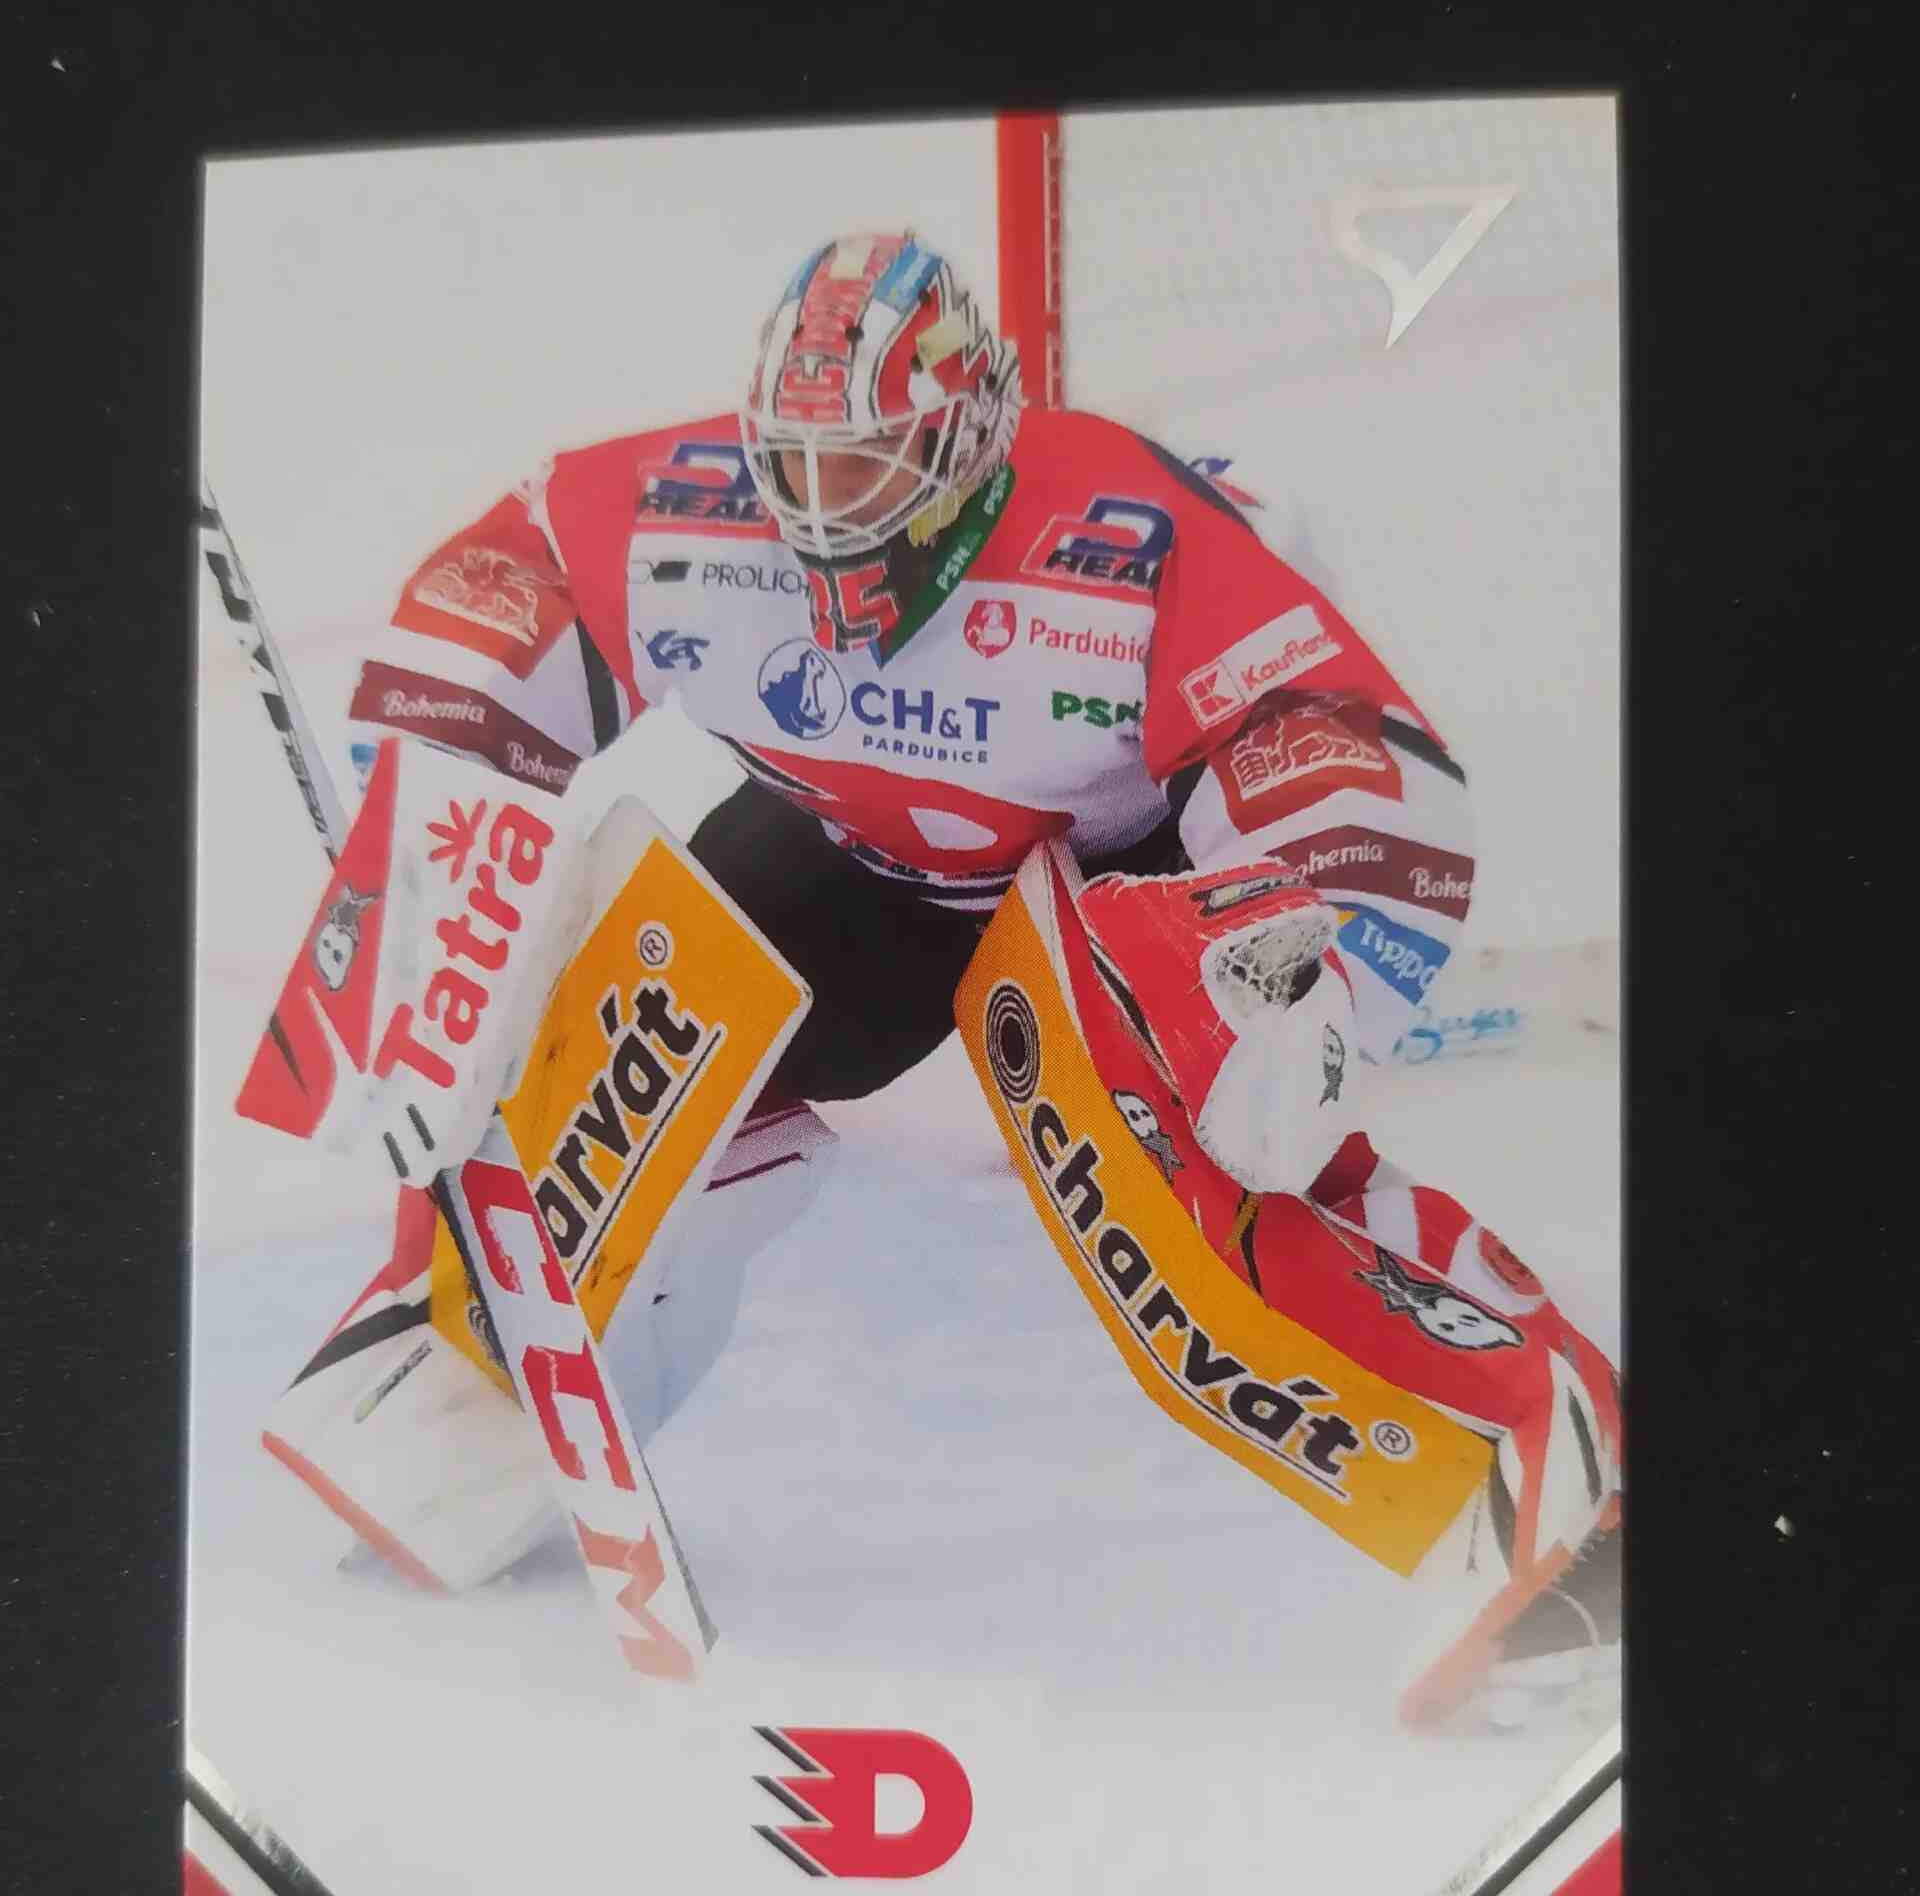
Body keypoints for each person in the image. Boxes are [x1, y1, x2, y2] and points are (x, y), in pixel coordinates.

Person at [265, 230, 1619, 1725]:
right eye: (796, 467)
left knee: (1192, 1179)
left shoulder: (1123, 538)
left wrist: (1311, 969)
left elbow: (1331, 737)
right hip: (854, 864)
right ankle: (463, 1372)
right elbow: (503, 580)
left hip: (1100, 877)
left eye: (866, 467)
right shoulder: (695, 516)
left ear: (970, 444)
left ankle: (1548, 1458)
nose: (822, 513)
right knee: (630, 1006)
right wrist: (427, 902)